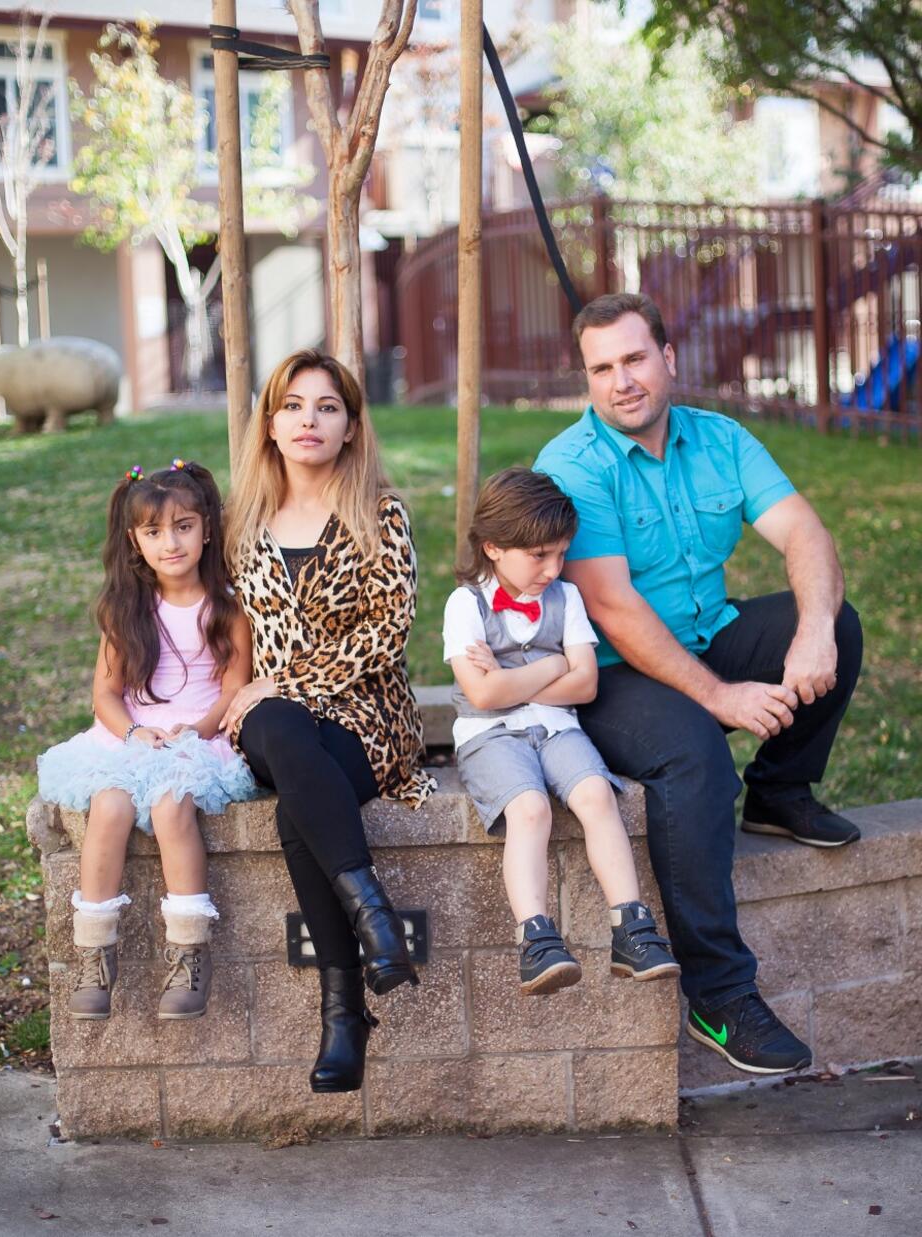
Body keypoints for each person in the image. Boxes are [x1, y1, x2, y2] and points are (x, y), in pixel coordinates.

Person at [535, 292, 863, 1075]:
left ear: (669, 356)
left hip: (706, 634)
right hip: (608, 673)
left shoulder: (720, 439)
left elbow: (805, 532)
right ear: (588, 379)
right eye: (602, 367)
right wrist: (722, 700)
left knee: (834, 624)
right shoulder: (573, 466)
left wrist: (813, 631)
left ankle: (782, 792)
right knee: (695, 759)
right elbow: (612, 608)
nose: (621, 381)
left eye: (635, 358)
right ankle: (719, 998)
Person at [222, 348, 435, 1096]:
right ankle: (372, 920)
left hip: (366, 713)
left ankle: (344, 1016)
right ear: (270, 424)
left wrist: (288, 679)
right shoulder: (240, 522)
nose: (309, 420)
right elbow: (221, 636)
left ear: (351, 426)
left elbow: (390, 629)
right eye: (293, 406)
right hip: (266, 718)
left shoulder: (380, 514)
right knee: (279, 727)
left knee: (299, 813)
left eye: (327, 407)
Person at [444, 467, 679, 995]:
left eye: (560, 554)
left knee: (597, 793)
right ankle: (536, 938)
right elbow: (483, 697)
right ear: (493, 547)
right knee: (530, 808)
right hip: (491, 736)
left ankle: (632, 928)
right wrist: (554, 668)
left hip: (556, 728)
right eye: (539, 556)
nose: (553, 569)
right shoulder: (465, 606)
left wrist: (511, 678)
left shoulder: (566, 598)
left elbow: (587, 685)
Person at [38, 460, 257, 1022]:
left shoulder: (228, 607)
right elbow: (106, 696)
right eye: (154, 532)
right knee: (109, 806)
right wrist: (135, 732)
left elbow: (234, 690)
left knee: (171, 804)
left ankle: (188, 951)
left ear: (207, 527)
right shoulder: (126, 609)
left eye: (183, 526)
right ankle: (95, 952)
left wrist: (198, 731)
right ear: (135, 540)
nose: (171, 542)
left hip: (199, 739)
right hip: (133, 737)